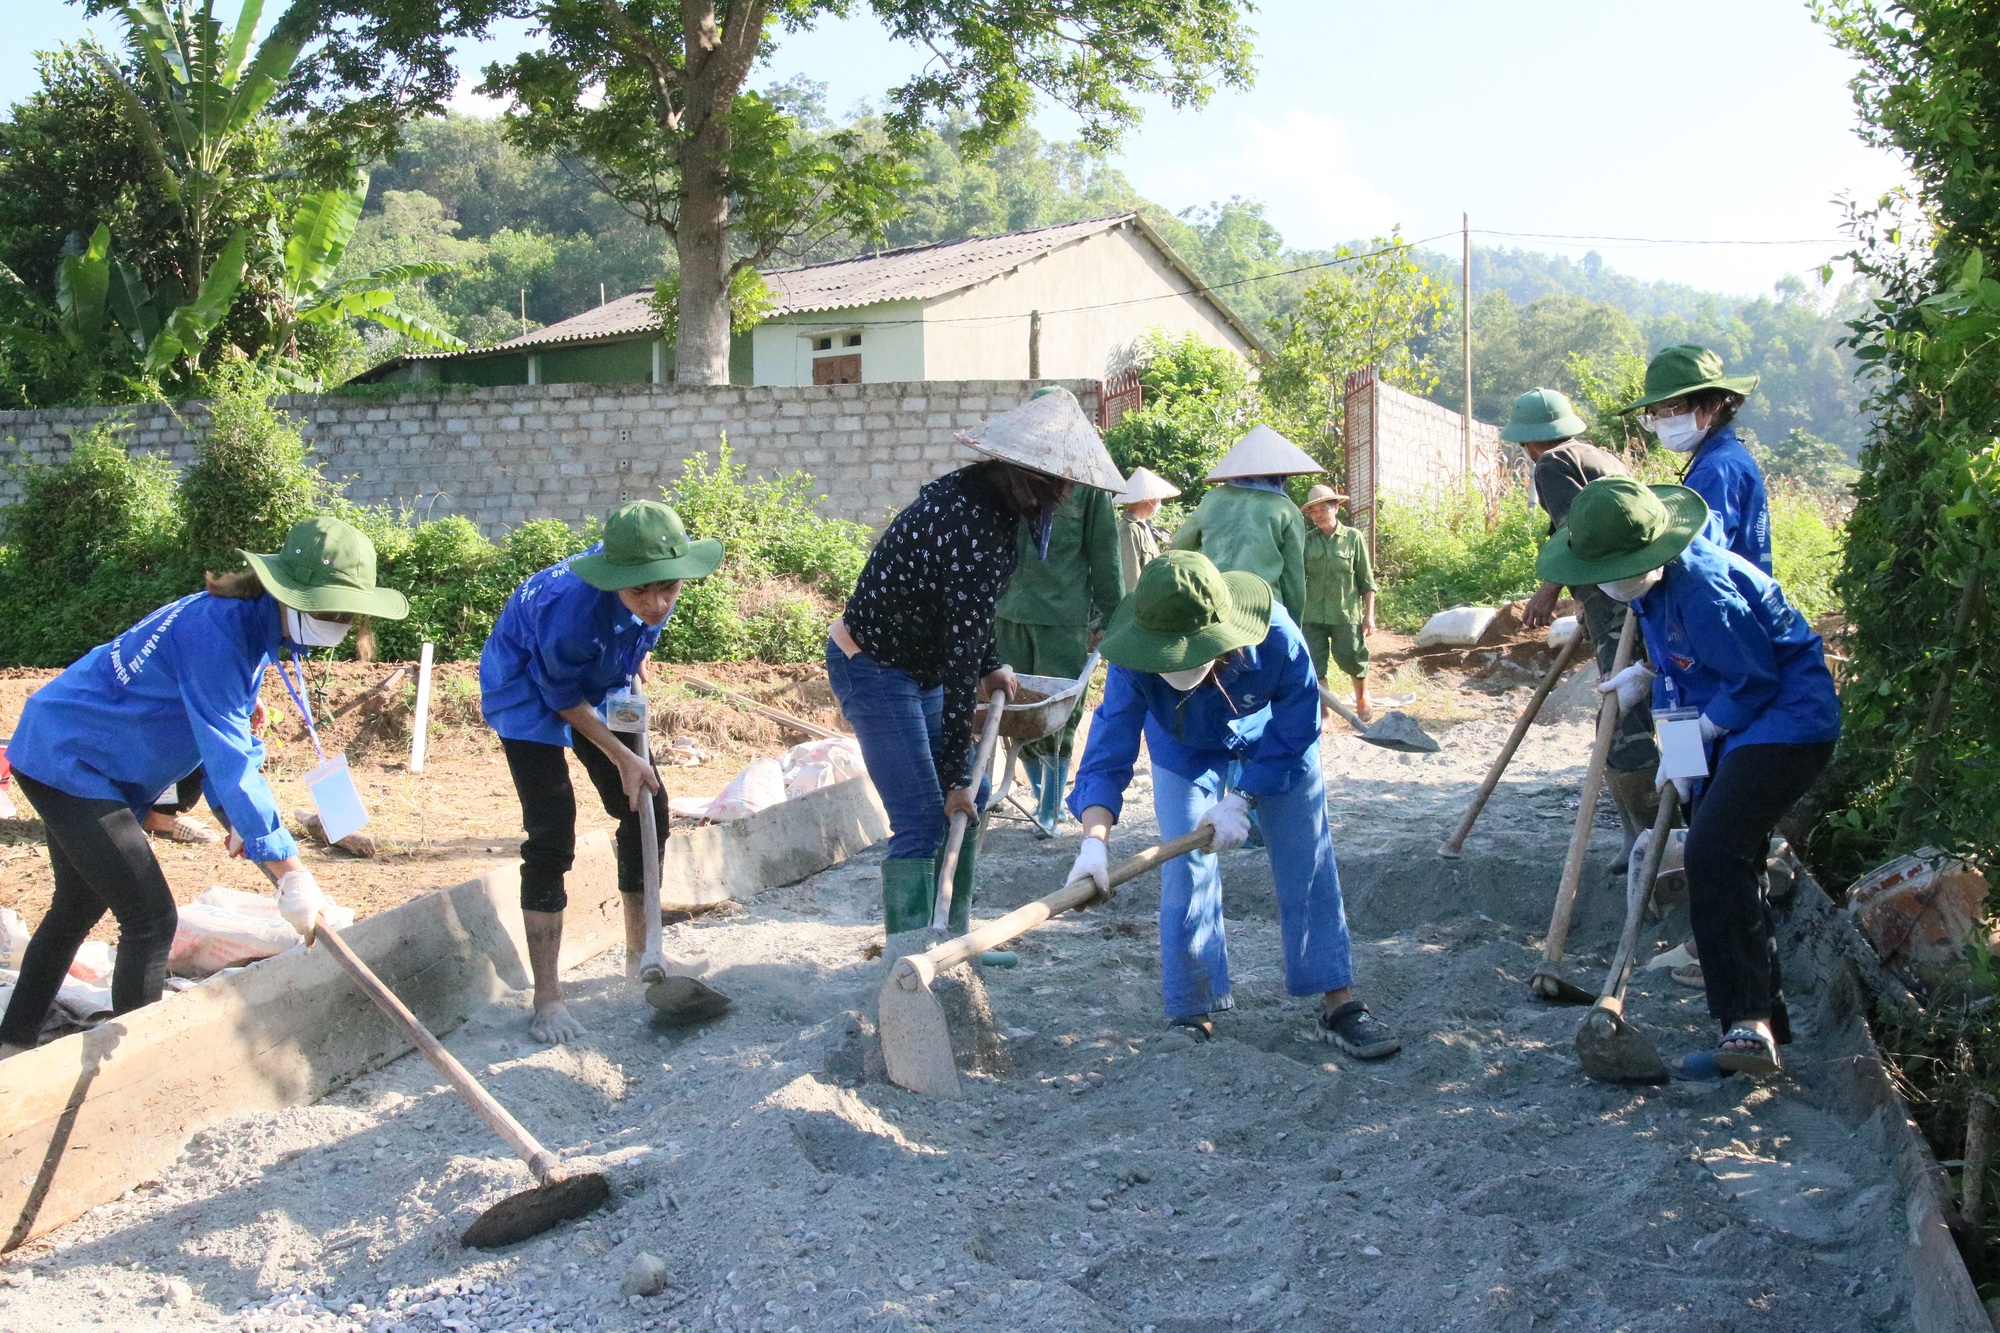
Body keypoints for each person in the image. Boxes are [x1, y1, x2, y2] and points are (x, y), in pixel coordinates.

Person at [0, 516, 407, 1057]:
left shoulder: (247, 623)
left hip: (85, 749)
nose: (334, 624)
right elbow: (229, 760)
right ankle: (137, 1067)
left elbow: (223, 738)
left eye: (343, 614)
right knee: (149, 917)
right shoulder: (218, 634)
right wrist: (291, 872)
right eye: (325, 611)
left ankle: (13, 1038)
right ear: (287, 592)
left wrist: (242, 822)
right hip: (69, 760)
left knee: (76, 906)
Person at [1538, 476, 1839, 1077]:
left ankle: (1746, 1024)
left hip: (1784, 723)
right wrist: (1648, 678)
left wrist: (1700, 735)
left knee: (1714, 851)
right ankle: (1762, 1027)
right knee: (1726, 857)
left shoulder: (1704, 589)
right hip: (1719, 720)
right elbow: (1684, 666)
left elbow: (1754, 680)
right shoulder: (1650, 589)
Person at [1063, 550, 1401, 1058]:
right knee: (1185, 868)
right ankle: (1193, 1010)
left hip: (1272, 741)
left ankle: (1340, 1003)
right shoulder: (1132, 657)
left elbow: (1299, 720)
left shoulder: (1277, 635)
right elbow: (1107, 751)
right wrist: (1093, 841)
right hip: (1182, 748)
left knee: (1306, 855)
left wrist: (1243, 798)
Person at [826, 387, 1125, 954]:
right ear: (1031, 479)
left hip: (926, 663)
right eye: (1057, 488)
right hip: (875, 666)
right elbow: (960, 646)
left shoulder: (990, 503)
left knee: (978, 796)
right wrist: (954, 778)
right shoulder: (971, 521)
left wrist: (990, 666)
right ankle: (911, 960)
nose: (1062, 499)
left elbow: (968, 612)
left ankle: (953, 943)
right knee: (924, 814)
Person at [481, 500, 722, 1045]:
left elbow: (639, 633)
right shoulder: (569, 612)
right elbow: (560, 697)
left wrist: (633, 659)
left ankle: (643, 954)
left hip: (597, 679)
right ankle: (547, 997)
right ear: (617, 580)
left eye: (669, 590)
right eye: (642, 593)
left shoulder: (655, 579)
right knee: (552, 832)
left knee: (648, 806)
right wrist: (622, 754)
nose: (658, 603)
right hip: (527, 689)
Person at [1507, 387, 1661, 855]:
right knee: (1622, 712)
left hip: (1615, 592)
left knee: (1621, 719)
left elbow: (1580, 531)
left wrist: (1551, 588)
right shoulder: (1600, 456)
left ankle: (1655, 837)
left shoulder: (1550, 465)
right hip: (1630, 592)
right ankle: (1641, 836)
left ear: (1530, 442)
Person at [993, 391, 1127, 835]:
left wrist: (1111, 619)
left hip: (1062, 621)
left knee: (1058, 715)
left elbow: (1104, 559)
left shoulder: (1088, 487)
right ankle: (1037, 795)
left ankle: (1051, 802)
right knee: (1014, 711)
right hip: (1008, 614)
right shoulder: (1010, 474)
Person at [1624, 344, 1771, 575]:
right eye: (1654, 413)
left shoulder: (1717, 470)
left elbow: (1698, 557)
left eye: (1671, 409)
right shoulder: (1728, 456)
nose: (1661, 420)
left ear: (1713, 404)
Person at [1169, 425, 1321, 622]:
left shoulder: (1212, 499)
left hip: (1212, 604)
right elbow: (1293, 580)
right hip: (1261, 610)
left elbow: (1179, 549)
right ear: (1282, 474)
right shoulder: (1287, 510)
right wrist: (1293, 623)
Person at [1297, 483, 1377, 724]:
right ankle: (1325, 712)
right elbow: (1297, 577)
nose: (1318, 515)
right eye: (1313, 512)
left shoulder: (1353, 538)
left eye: (1323, 509)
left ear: (1336, 509)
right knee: (1315, 664)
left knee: (1353, 657)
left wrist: (1369, 615)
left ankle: (1362, 697)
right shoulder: (1306, 541)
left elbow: (1367, 581)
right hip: (1312, 615)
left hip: (1345, 613)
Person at [1113, 466, 1181, 591]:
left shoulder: (1143, 526)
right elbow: (1131, 577)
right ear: (1147, 499)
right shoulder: (1129, 529)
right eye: (1156, 499)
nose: (1158, 502)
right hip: (1139, 602)